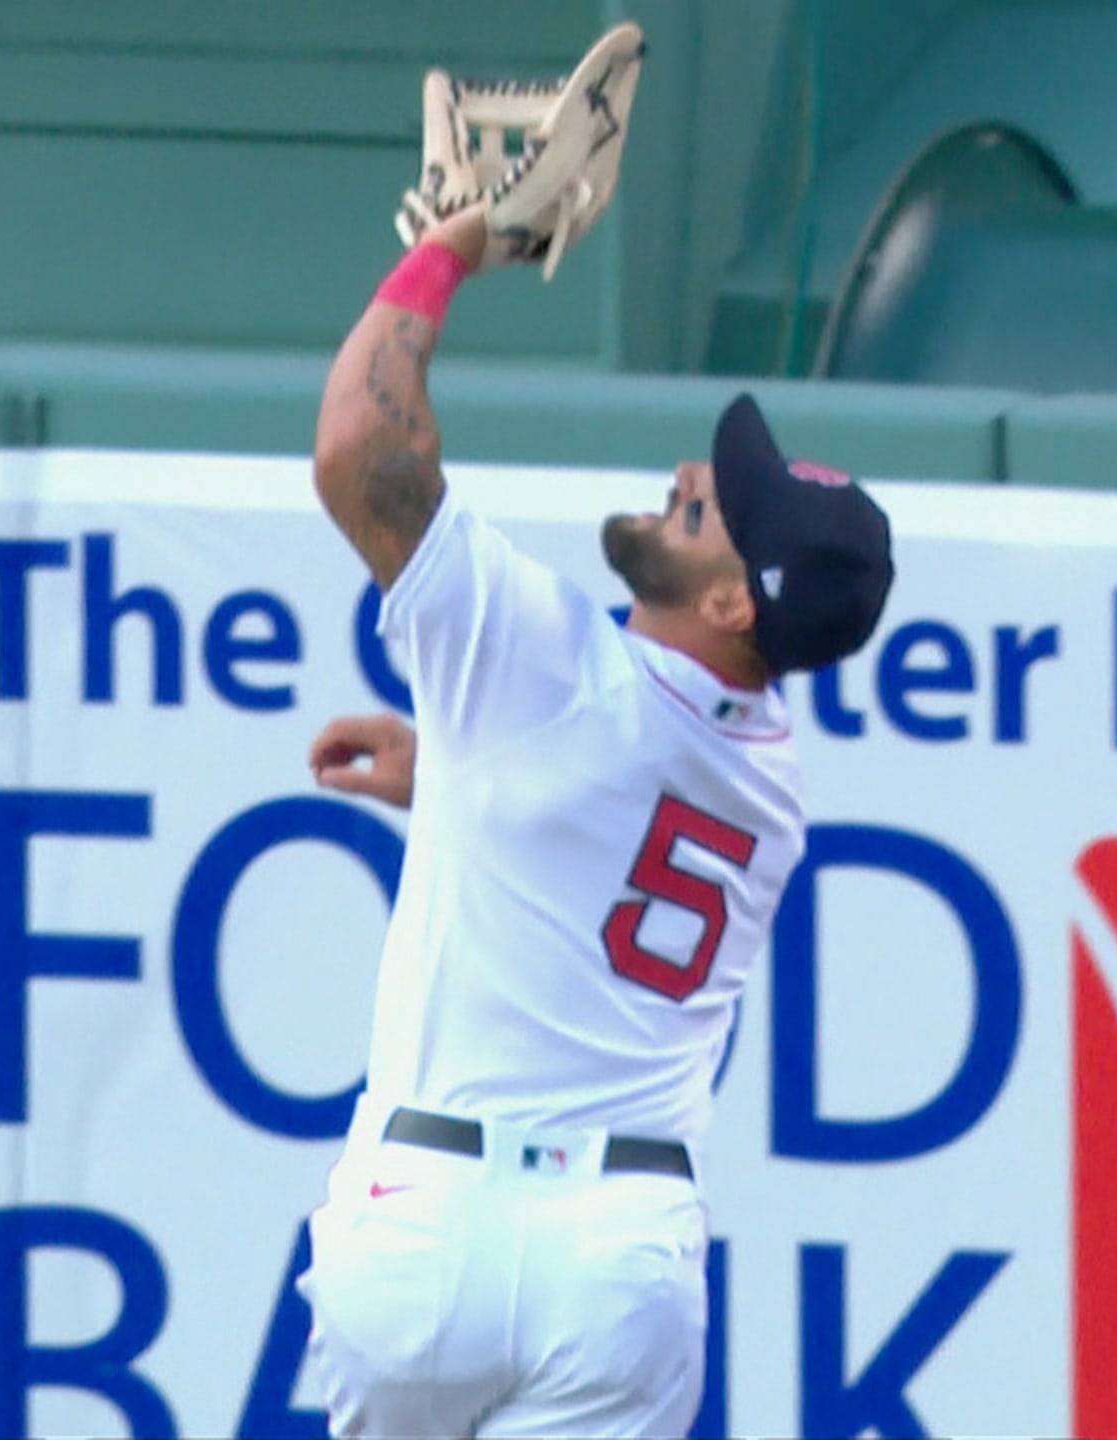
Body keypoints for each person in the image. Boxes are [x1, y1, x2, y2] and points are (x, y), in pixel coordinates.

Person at [288, 195, 896, 1439]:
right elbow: (599, 810)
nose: (691, 478)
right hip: (622, 1262)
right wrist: (451, 769)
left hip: (428, 1224)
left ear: (733, 604)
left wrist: (447, 251)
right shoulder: (769, 783)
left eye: (718, 506)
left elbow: (361, 448)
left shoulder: (544, 664)